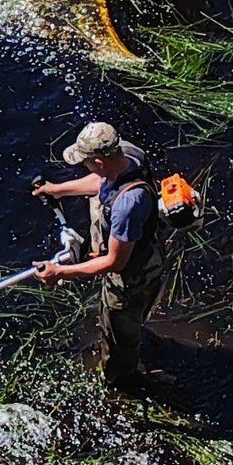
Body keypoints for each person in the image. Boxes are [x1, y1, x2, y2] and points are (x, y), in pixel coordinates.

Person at [31, 120, 169, 388]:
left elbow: (114, 262)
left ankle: (124, 380)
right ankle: (131, 333)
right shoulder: (127, 153)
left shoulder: (127, 206)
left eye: (86, 161)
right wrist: (57, 190)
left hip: (132, 279)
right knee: (126, 322)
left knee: (119, 332)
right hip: (143, 253)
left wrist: (61, 272)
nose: (85, 166)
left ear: (100, 160)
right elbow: (103, 181)